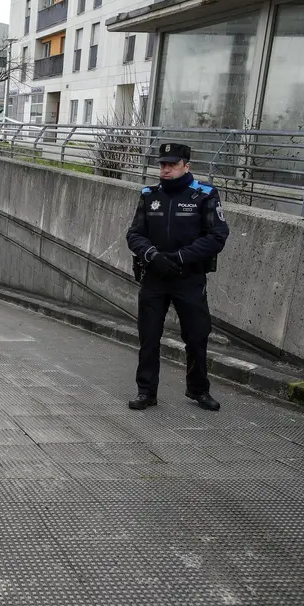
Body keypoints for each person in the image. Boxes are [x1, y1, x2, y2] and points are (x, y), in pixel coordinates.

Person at [126, 142, 230, 412]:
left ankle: (198, 390)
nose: (166, 169)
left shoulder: (204, 195)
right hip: (155, 277)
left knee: (196, 337)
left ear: (187, 165)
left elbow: (217, 236)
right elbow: (134, 234)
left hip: (189, 278)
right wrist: (153, 256)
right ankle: (146, 392)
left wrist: (181, 257)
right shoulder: (149, 195)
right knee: (149, 337)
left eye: (172, 164)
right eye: (162, 164)